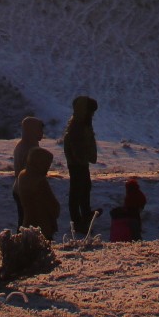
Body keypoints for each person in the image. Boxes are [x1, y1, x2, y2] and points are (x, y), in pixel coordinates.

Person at [62, 95, 98, 237]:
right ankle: (78, 222)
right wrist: (83, 157)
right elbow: (76, 148)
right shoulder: (77, 127)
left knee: (85, 188)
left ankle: (85, 215)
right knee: (77, 191)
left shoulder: (81, 123)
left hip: (81, 163)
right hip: (77, 164)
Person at [13, 147, 61, 239]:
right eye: (47, 164)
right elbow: (53, 207)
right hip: (42, 227)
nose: (48, 168)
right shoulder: (39, 181)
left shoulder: (22, 175)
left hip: (27, 224)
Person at [11, 116, 47, 226]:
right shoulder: (31, 148)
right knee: (27, 222)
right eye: (39, 130)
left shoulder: (22, 144)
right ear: (33, 130)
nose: (42, 133)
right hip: (26, 190)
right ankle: (23, 241)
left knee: (23, 219)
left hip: (18, 188)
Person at [109, 177, 148, 242]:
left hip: (132, 215)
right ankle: (137, 241)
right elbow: (143, 201)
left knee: (133, 230)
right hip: (135, 214)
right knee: (136, 230)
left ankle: (136, 241)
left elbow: (128, 204)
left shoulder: (130, 195)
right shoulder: (139, 193)